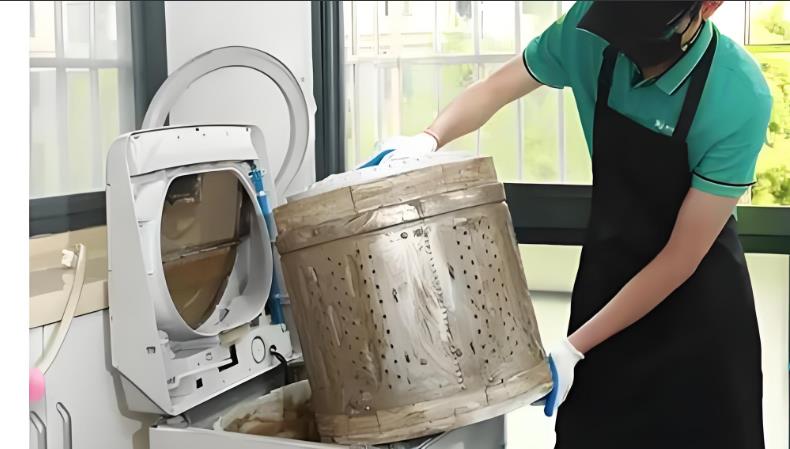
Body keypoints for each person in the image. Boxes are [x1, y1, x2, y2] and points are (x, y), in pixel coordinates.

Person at [368, 1, 771, 448]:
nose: (627, 42)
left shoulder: (737, 94)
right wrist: (428, 139)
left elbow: (681, 256)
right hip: (609, 281)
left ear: (709, 6)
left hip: (698, 308)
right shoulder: (590, 28)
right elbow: (496, 88)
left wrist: (575, 347)